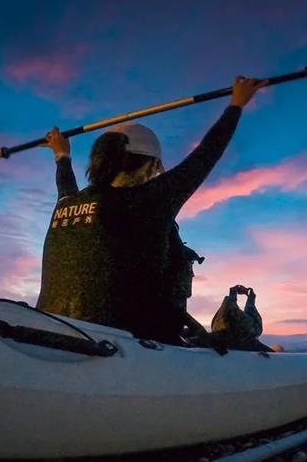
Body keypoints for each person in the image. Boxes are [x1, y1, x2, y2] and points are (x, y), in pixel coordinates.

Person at [37, 76, 265, 344]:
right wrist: (236, 104)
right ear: (148, 166)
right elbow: (205, 155)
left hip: (51, 329)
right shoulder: (148, 200)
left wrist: (61, 154)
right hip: (128, 342)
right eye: (156, 167)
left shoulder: (67, 204)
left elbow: (65, 184)